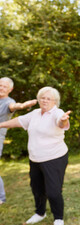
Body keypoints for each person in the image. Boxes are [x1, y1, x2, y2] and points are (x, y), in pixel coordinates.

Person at [0, 86, 71, 225]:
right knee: (37, 188)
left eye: (48, 98)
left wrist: (64, 121)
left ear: (55, 101)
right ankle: (40, 213)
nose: (44, 101)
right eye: (42, 98)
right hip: (35, 159)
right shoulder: (35, 113)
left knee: (53, 192)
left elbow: (61, 123)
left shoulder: (58, 113)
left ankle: (58, 219)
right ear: (38, 99)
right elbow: (19, 121)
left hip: (54, 158)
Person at [0, 77, 37, 205]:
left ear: (10, 89)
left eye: (4, 86)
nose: (1, 88)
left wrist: (24, 105)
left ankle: (1, 197)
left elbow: (15, 106)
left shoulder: (8, 102)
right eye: (0, 85)